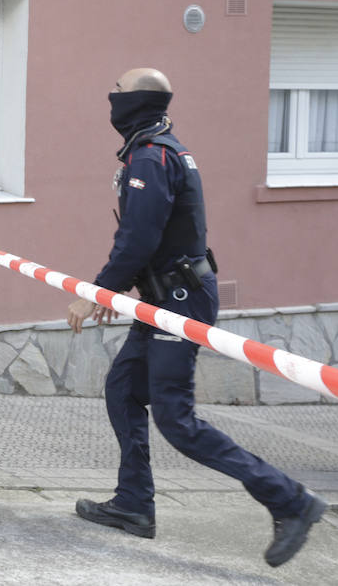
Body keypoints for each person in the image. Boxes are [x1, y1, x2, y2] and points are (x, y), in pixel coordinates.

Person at [69, 67, 327, 567]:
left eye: (118, 90)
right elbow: (143, 241)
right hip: (162, 298)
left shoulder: (152, 156)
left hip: (180, 299)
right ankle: (134, 504)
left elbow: (138, 239)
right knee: (123, 390)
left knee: (177, 420)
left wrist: (97, 292)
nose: (111, 96)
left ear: (137, 100)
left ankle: (291, 500)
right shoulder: (153, 148)